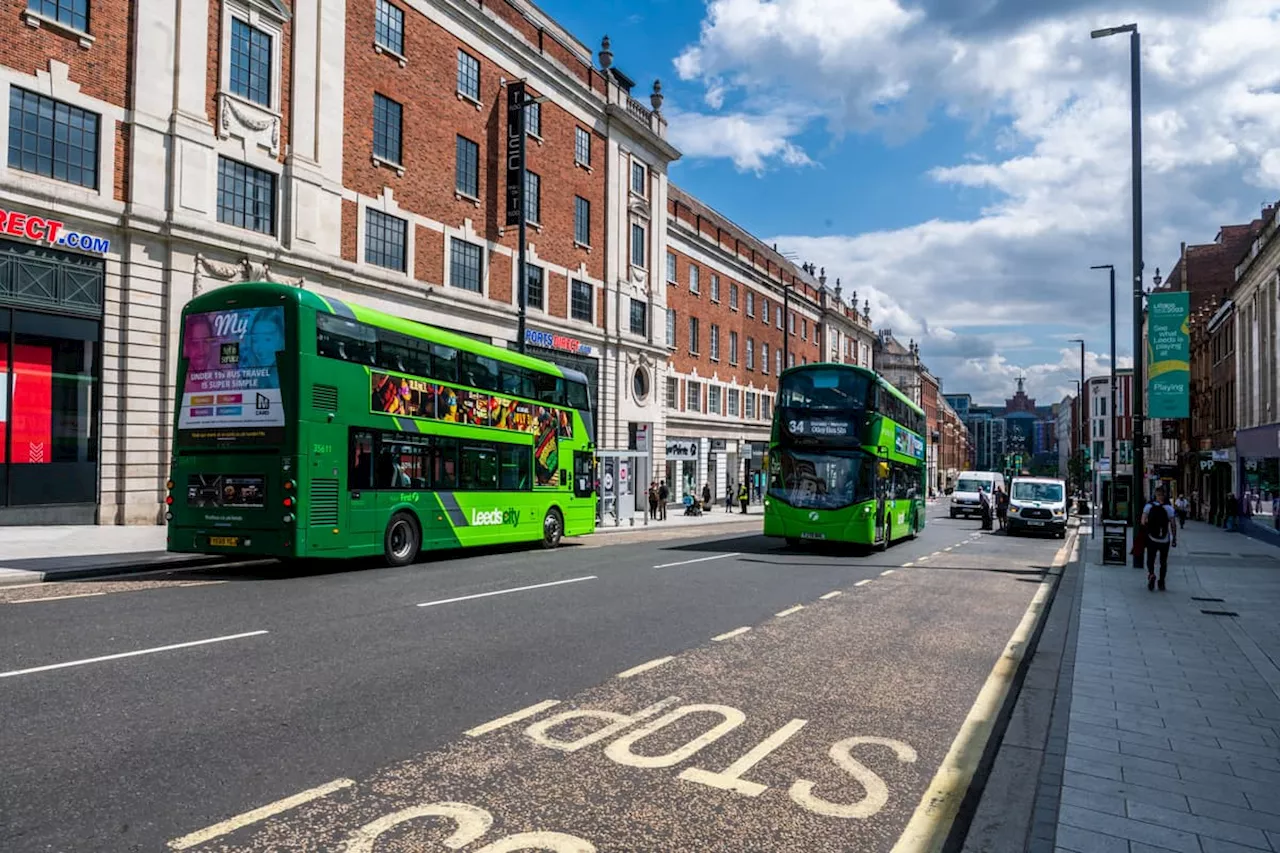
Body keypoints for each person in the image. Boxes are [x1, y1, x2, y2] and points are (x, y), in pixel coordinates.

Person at [1141, 487, 1177, 591]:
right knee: (1163, 561)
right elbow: (1173, 525)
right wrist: (1174, 538)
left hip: (1152, 538)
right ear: (1164, 495)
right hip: (1164, 539)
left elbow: (1143, 522)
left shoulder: (1148, 506)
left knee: (1150, 559)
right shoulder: (1169, 508)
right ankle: (1161, 582)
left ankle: (1151, 574)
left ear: (1155, 495)